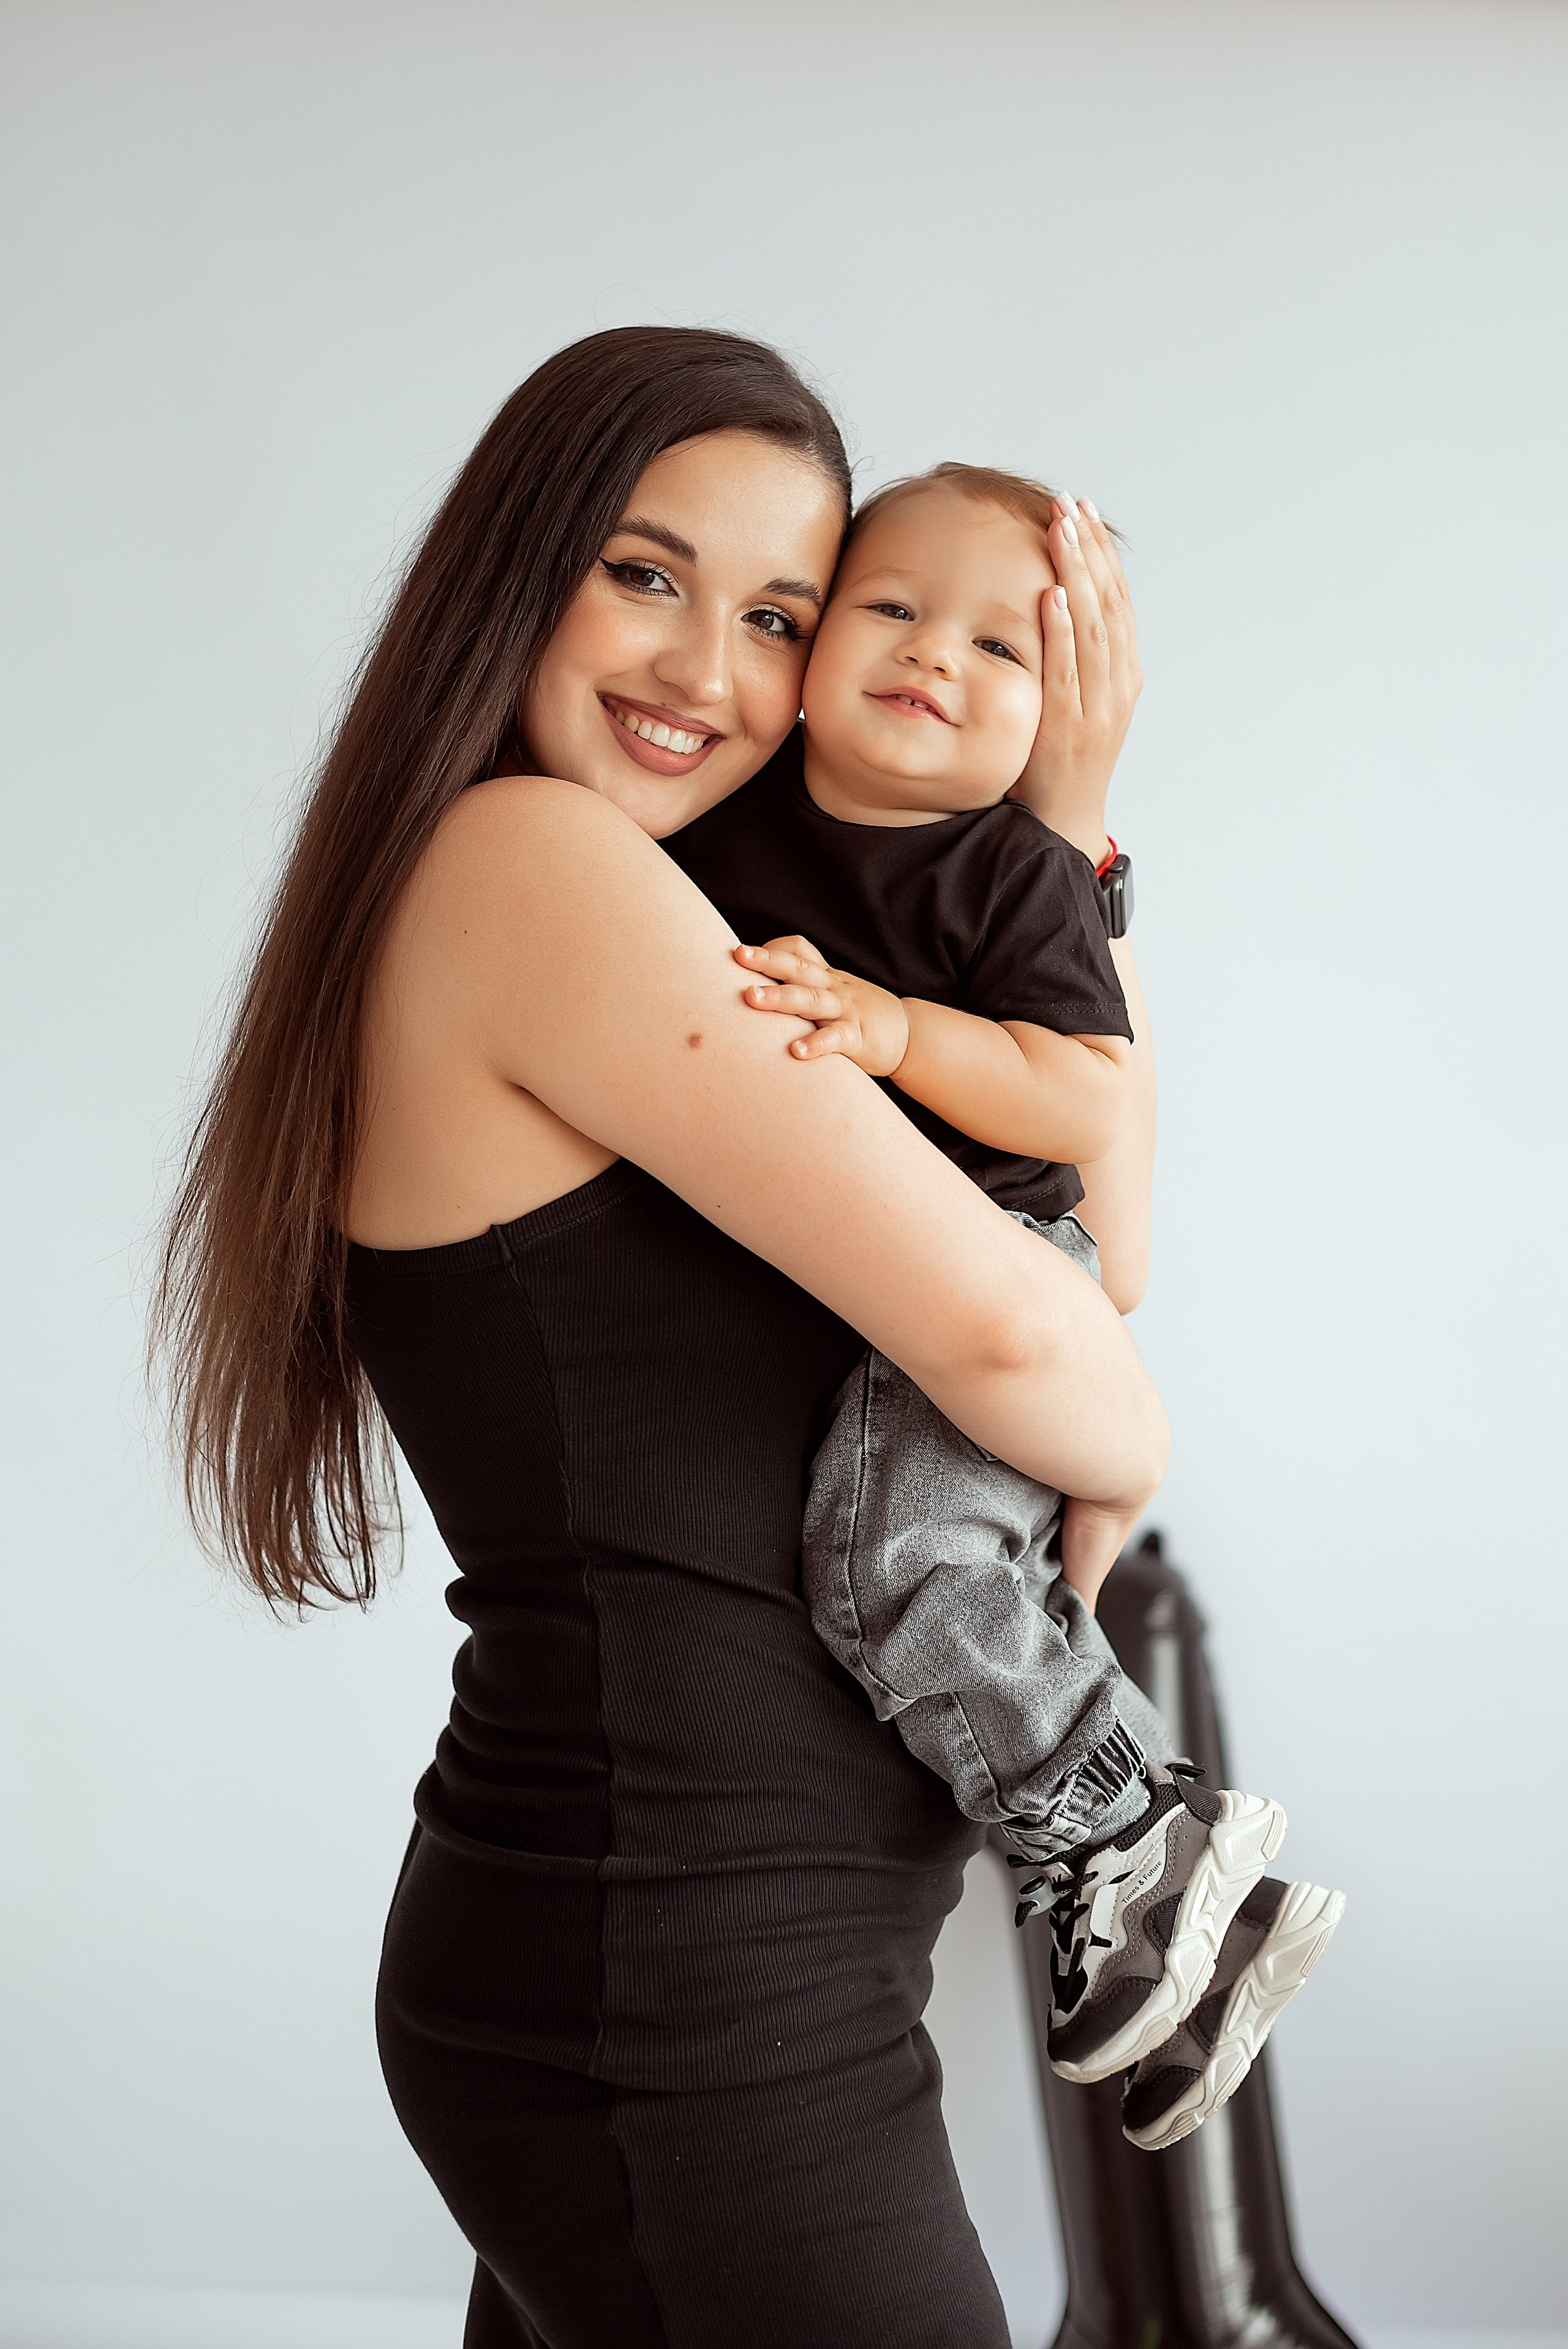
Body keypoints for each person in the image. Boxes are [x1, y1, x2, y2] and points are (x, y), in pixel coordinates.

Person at [155, 325, 1168, 2347]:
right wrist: (1130, 1445)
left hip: (691, 1968)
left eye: (778, 609)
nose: (706, 668)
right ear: (517, 569)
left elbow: (1102, 1234)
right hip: (690, 1983)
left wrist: (1058, 837)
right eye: (646, 571)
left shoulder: (651, 902)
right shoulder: (539, 867)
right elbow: (1044, 1338)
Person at [669, 462, 1341, 2121]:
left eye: (1001, 647)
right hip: (890, 1282)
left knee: (893, 1558)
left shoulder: (1011, 872)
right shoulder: (730, 826)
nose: (933, 658)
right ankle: (1174, 1903)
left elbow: (1081, 1102)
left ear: (1057, 722)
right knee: (938, 1568)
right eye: (889, 609)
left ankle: (1124, 1835)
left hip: (993, 1250)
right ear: (810, 641)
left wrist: (897, 1030)